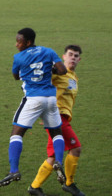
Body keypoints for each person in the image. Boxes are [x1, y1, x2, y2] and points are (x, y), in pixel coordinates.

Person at [0, 28, 68, 188]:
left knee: (16, 133)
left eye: (19, 41)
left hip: (33, 99)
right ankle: (58, 161)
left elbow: (16, 77)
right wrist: (50, 69)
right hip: (51, 99)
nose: (16, 45)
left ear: (28, 42)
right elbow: (63, 71)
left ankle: (14, 170)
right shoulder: (48, 51)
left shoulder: (19, 57)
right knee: (56, 132)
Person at [28, 45, 85, 196]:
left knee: (52, 156)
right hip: (57, 117)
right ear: (63, 57)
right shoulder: (58, 73)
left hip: (59, 118)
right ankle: (69, 184)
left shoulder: (73, 77)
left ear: (79, 59)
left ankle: (34, 187)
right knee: (76, 148)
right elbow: (41, 79)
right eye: (70, 54)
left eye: (76, 55)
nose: (73, 57)